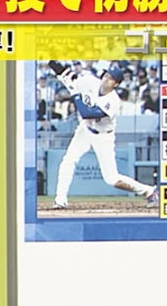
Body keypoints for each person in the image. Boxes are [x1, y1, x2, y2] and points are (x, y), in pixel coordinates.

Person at [48, 62, 158, 209]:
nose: (106, 79)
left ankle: (149, 191)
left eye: (111, 78)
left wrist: (75, 95)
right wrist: (50, 61)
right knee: (68, 161)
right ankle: (60, 200)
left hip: (103, 137)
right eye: (106, 75)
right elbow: (67, 74)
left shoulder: (113, 101)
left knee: (112, 179)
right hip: (85, 130)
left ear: (116, 84)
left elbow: (88, 113)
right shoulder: (89, 81)